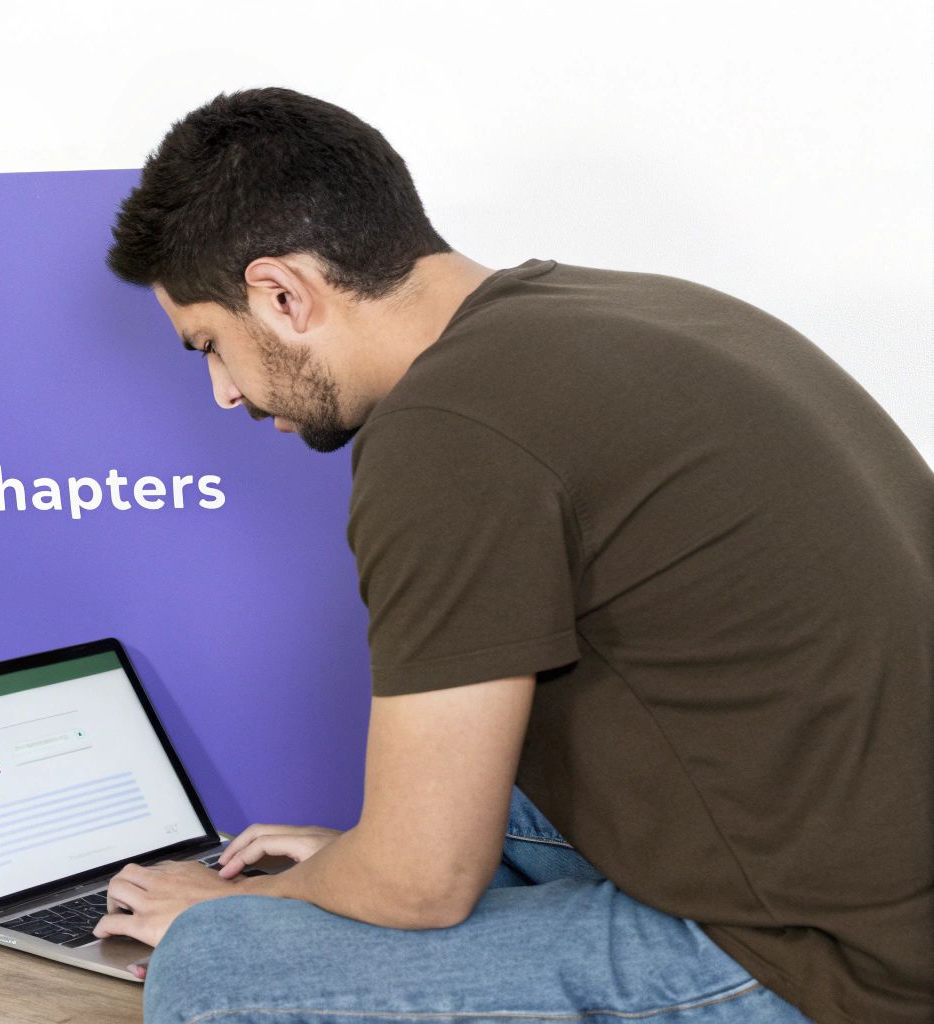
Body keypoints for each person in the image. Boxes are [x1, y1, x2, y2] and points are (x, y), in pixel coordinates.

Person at [93, 87, 932, 1024]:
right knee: (500, 794)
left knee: (217, 967)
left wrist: (252, 902)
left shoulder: (446, 433)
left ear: (282, 294)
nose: (223, 394)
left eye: (210, 344)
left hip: (843, 962)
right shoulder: (621, 306)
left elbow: (424, 886)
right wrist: (353, 861)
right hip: (874, 860)